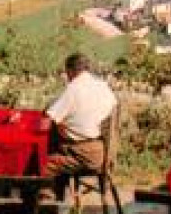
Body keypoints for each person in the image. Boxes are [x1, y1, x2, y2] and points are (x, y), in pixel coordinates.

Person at [43, 52, 116, 182]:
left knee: (42, 164)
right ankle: (58, 192)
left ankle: (46, 198)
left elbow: (49, 118)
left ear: (70, 71)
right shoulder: (103, 86)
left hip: (82, 154)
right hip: (103, 152)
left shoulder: (74, 88)